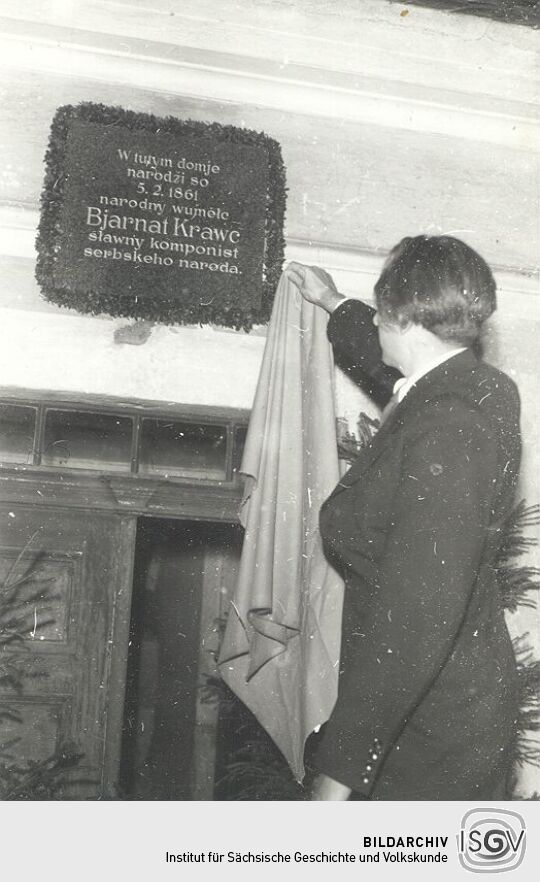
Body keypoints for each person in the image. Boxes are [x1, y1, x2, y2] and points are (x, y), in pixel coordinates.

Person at [285, 235, 521, 800]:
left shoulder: (449, 423)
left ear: (408, 322)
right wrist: (334, 302)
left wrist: (340, 775)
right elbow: (400, 379)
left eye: (382, 313)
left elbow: (414, 619)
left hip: (429, 734)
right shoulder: (468, 387)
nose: (380, 327)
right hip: (446, 705)